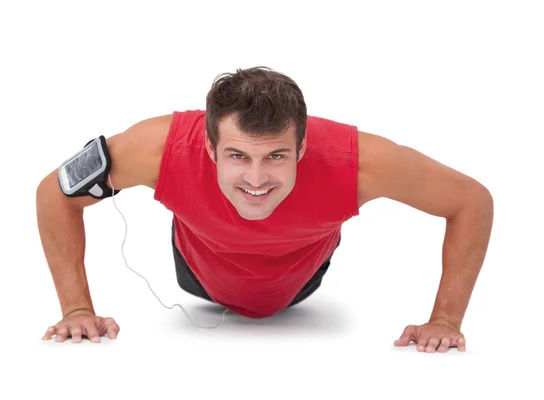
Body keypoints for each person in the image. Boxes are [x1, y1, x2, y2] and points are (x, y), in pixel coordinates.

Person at [37, 66, 493, 352]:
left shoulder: (360, 162)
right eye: (238, 156)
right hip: (197, 270)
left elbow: (471, 201)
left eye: (276, 156)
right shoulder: (158, 147)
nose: (256, 180)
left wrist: (445, 320)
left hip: (300, 280)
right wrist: (77, 309)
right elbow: (54, 193)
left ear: (303, 146)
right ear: (210, 149)